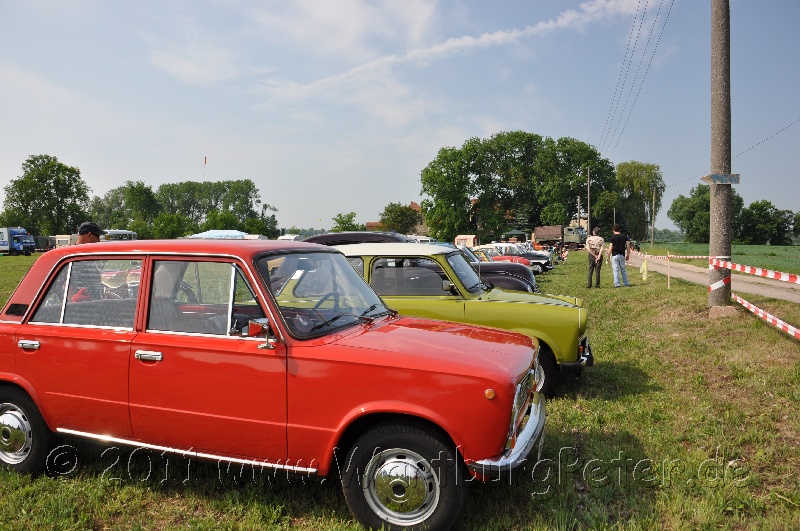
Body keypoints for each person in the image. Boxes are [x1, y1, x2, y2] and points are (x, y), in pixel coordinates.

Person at [69, 222, 106, 301]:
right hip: (82, 306)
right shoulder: (71, 257)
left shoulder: (89, 256)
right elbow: (67, 288)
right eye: (97, 236)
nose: (99, 240)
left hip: (95, 303)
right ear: (89, 235)